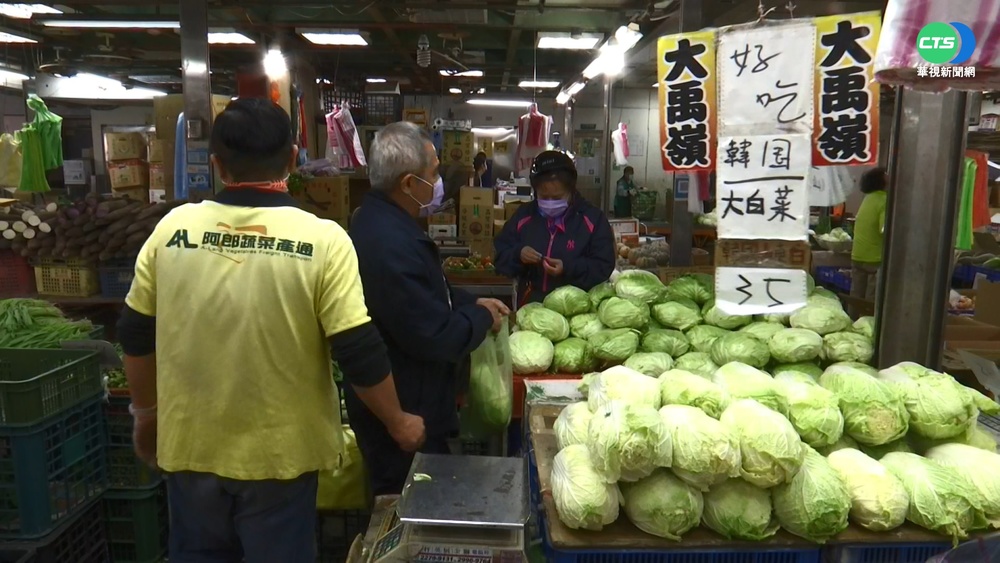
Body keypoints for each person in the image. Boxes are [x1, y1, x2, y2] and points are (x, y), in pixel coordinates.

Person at [116, 99, 424, 563]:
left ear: (217, 165)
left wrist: (145, 415)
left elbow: (135, 334)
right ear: (294, 157)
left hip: (190, 447)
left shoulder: (171, 231)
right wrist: (398, 421)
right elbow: (357, 349)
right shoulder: (323, 240)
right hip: (279, 456)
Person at [349, 121, 510, 495]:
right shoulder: (388, 243)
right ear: (408, 183)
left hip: (414, 405)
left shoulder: (387, 223)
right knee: (410, 509)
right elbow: (436, 336)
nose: (438, 183)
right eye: (433, 173)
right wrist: (481, 317)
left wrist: (472, 301)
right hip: (405, 418)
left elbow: (430, 292)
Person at [494, 150, 616, 305]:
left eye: (557, 197)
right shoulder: (523, 216)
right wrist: (518, 254)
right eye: (544, 197)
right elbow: (500, 256)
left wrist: (567, 267)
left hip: (575, 309)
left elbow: (603, 266)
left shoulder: (592, 219)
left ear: (571, 191)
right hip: (530, 307)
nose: (550, 202)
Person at [850, 166, 888, 317]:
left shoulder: (868, 198)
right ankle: (867, 329)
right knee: (870, 301)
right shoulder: (884, 200)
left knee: (856, 297)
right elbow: (884, 229)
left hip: (857, 255)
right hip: (874, 258)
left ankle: (852, 325)